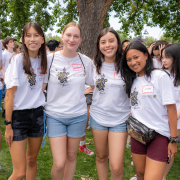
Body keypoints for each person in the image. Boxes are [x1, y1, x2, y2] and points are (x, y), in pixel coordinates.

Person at [43, 22, 93, 180]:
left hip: (78, 116)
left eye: (76, 36)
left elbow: (94, 84)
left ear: (81, 40)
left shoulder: (86, 61)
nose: (72, 39)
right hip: (54, 115)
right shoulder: (49, 60)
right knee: (59, 163)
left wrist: (85, 90)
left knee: (71, 157)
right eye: (69, 35)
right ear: (62, 37)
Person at [120, 41, 177, 180]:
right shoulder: (131, 80)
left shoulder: (160, 76)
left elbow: (172, 109)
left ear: (146, 55)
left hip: (159, 135)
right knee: (140, 174)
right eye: (128, 59)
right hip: (138, 134)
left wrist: (173, 140)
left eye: (136, 57)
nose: (133, 62)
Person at [4, 22, 47, 180]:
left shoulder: (45, 61)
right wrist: (8, 125)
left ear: (42, 39)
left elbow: (42, 87)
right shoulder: (17, 60)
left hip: (37, 115)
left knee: (31, 160)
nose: (32, 39)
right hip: (18, 117)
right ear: (23, 39)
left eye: (36, 35)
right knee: (19, 172)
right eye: (28, 35)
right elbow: (9, 95)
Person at [89, 27, 130, 180]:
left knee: (116, 167)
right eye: (103, 42)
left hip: (120, 120)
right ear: (99, 46)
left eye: (111, 41)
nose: (108, 45)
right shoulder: (93, 65)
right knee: (100, 157)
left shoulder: (127, 65)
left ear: (118, 43)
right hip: (98, 117)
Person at [161, 43, 180, 180]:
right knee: (160, 148)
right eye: (162, 57)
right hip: (162, 118)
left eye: (167, 57)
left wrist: (173, 117)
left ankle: (163, 176)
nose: (164, 60)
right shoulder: (162, 75)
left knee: (170, 150)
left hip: (176, 120)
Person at [1, 37, 15, 118]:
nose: (13, 43)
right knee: (7, 94)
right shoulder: (4, 54)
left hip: (14, 77)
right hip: (7, 77)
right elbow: (1, 66)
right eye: (11, 42)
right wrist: (4, 75)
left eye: (13, 41)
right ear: (6, 45)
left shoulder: (16, 54)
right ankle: (5, 111)